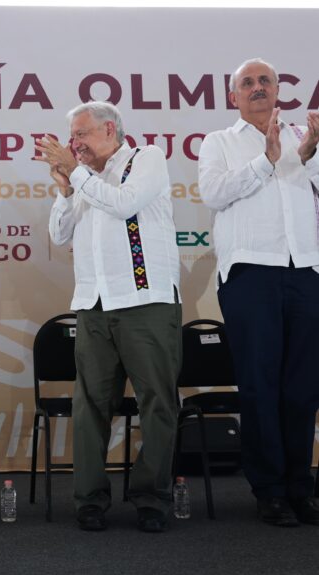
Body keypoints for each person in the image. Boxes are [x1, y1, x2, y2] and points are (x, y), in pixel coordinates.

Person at [37, 102, 181, 533]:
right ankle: (89, 499)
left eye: (81, 134)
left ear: (110, 130)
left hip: (145, 301)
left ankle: (151, 498)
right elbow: (59, 234)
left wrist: (76, 173)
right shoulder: (82, 181)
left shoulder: (146, 159)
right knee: (90, 405)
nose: (74, 144)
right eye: (72, 137)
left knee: (158, 400)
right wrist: (65, 189)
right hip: (95, 305)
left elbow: (125, 203)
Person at [199, 58, 319, 527]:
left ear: (278, 90)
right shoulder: (219, 143)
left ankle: (299, 487)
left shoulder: (299, 137)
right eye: (247, 83)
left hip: (305, 270)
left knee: (302, 388)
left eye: (264, 81)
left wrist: (308, 154)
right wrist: (266, 161)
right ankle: (268, 490)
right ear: (233, 97)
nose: (257, 88)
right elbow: (213, 194)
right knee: (259, 386)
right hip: (251, 272)